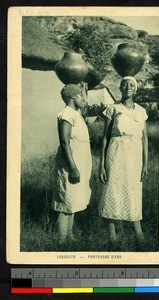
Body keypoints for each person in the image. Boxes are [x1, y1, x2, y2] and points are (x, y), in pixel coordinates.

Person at [99, 76, 148, 243]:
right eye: (124, 84)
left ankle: (138, 232)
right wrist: (101, 165)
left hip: (134, 155)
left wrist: (145, 164)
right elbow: (105, 137)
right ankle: (112, 234)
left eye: (131, 85)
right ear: (120, 88)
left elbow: (144, 139)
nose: (128, 87)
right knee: (113, 189)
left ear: (135, 89)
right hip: (116, 152)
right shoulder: (113, 109)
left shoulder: (141, 111)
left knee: (133, 190)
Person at [52, 84, 92, 243]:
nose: (84, 99)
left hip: (79, 162)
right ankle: (61, 239)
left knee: (73, 199)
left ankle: (69, 235)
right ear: (72, 97)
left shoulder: (76, 114)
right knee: (66, 199)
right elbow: (64, 141)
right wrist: (73, 167)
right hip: (70, 164)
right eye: (81, 95)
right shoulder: (67, 114)